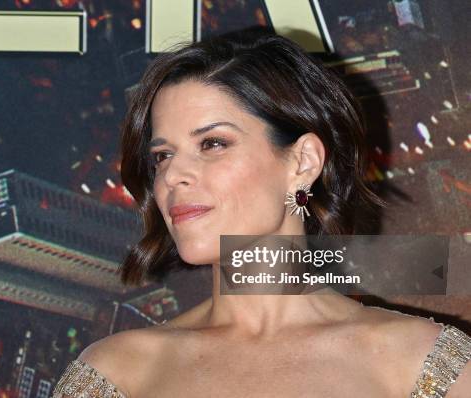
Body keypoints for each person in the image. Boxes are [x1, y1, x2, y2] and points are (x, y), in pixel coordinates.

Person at [52, 26, 471, 397]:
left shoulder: (421, 365)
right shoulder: (117, 374)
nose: (172, 175)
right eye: (162, 155)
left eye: (212, 143)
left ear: (302, 163)